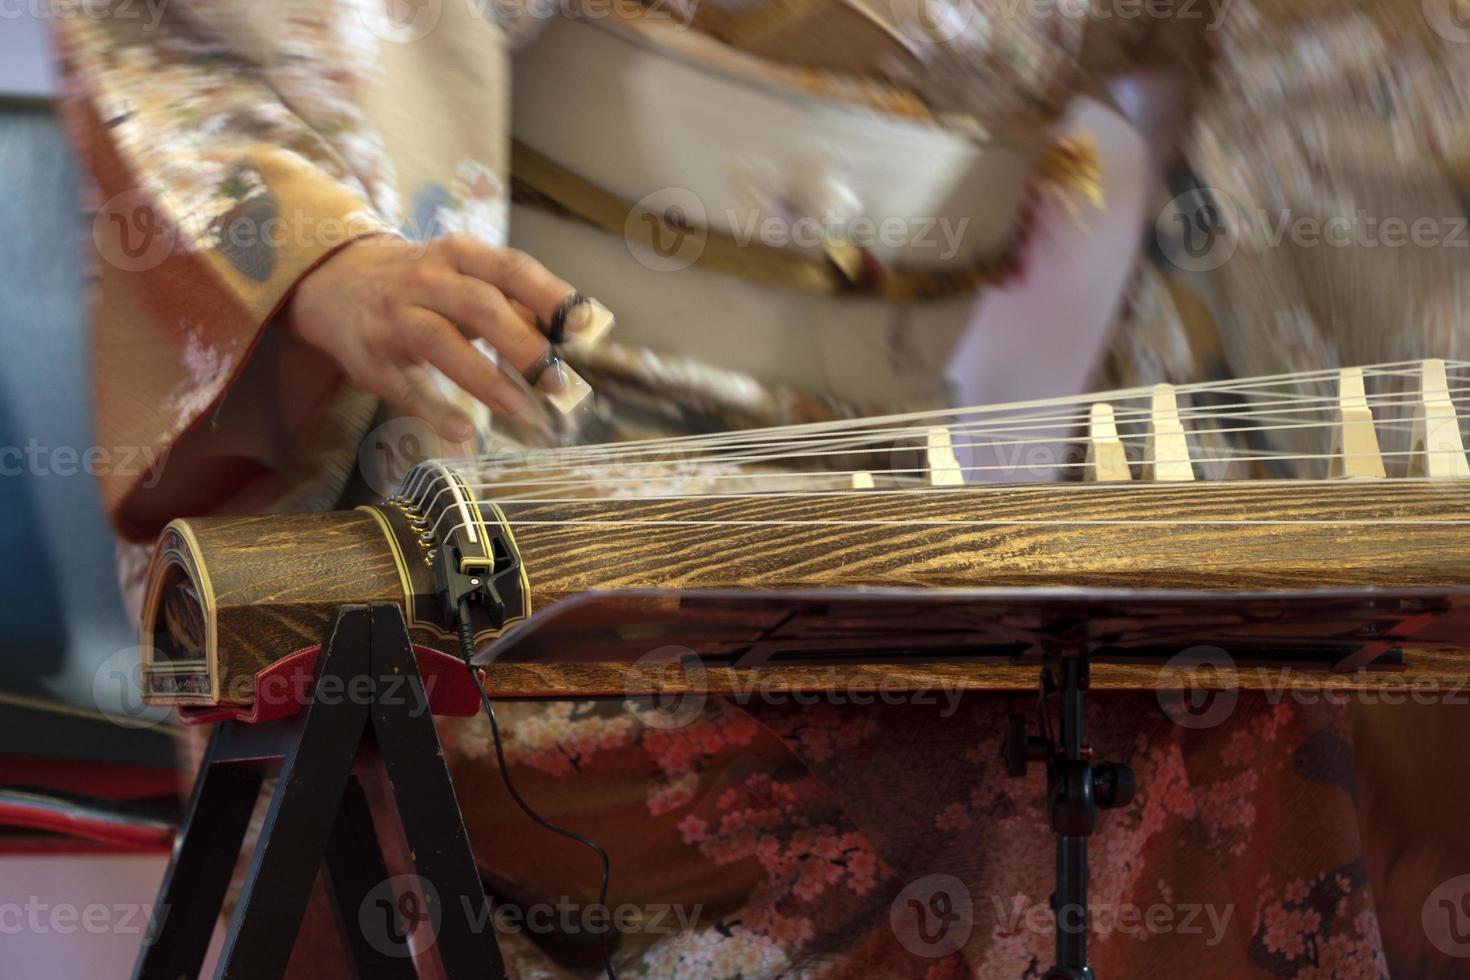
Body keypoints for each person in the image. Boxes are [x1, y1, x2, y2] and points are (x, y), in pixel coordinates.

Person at [51, 0, 1468, 974]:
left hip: (883, 513)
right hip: (527, 457)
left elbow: (1364, 105)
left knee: (1227, 701)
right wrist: (335, 265)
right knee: (1012, 760)